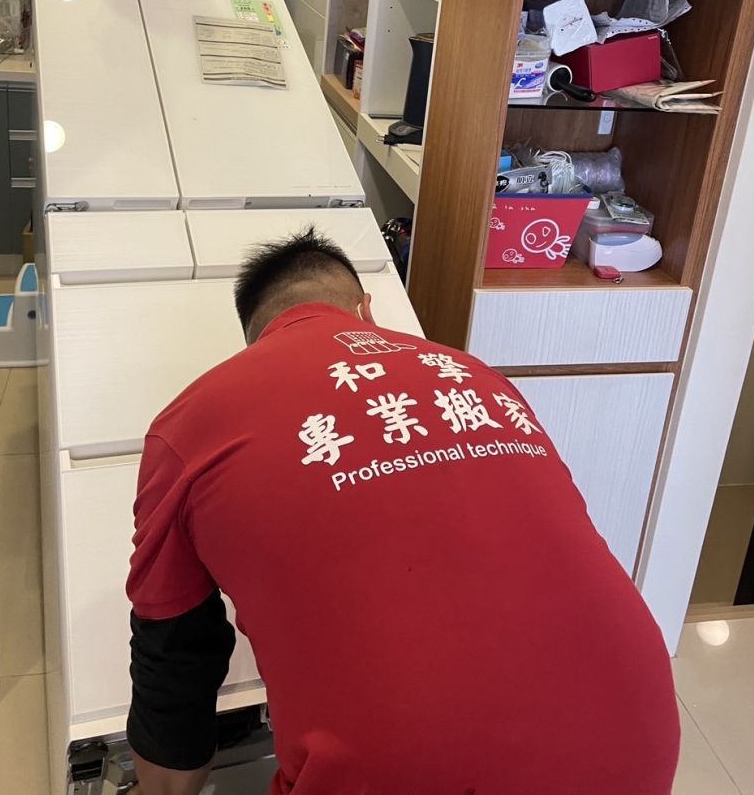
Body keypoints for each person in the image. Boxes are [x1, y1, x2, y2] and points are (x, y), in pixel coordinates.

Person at [126, 229, 680, 795]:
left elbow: (173, 656)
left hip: (408, 767)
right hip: (639, 731)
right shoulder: (478, 378)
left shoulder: (190, 422)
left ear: (257, 337)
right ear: (367, 311)